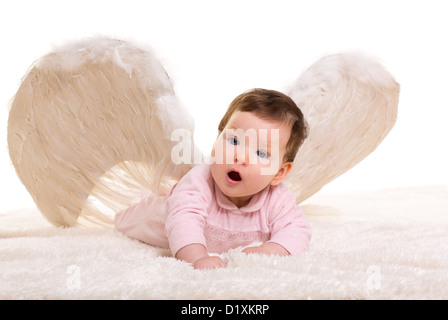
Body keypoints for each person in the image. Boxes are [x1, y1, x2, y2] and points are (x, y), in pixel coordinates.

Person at [115, 88, 312, 270]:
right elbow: (183, 222)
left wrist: (271, 250)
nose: (240, 157)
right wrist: (198, 258)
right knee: (127, 218)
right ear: (215, 143)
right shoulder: (198, 182)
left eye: (261, 153)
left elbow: (297, 230)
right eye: (234, 141)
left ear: (279, 173)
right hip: (153, 221)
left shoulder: (279, 199)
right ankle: (137, 205)